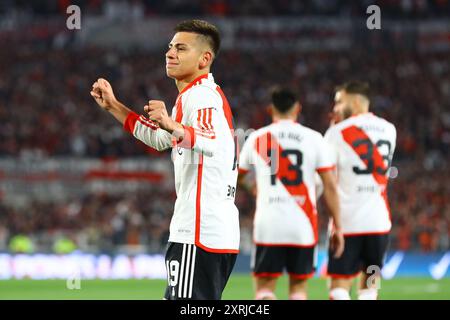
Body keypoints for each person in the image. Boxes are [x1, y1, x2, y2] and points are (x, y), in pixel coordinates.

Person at [90, 20, 239, 300]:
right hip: (211, 232)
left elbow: (213, 141)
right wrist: (115, 107)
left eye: (181, 48)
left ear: (204, 58)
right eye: (170, 47)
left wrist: (173, 125)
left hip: (197, 232)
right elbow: (161, 139)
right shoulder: (196, 96)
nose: (170, 53)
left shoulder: (201, 96)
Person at [238, 87, 344, 300]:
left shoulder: (257, 138)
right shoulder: (314, 139)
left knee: (264, 289)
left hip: (268, 223)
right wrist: (338, 226)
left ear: (270, 109)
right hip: (302, 224)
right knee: (298, 290)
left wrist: (254, 189)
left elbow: (238, 177)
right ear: (298, 108)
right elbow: (330, 186)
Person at [324, 81, 397, 300]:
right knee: (371, 282)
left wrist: (332, 127)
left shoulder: (336, 133)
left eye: (340, 101)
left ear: (355, 101)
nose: (336, 106)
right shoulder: (390, 129)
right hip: (379, 224)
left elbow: (328, 177)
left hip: (347, 224)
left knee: (338, 285)